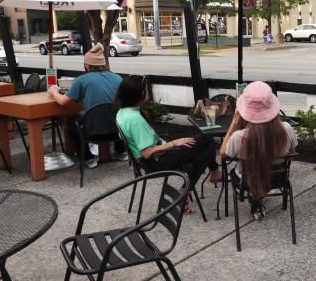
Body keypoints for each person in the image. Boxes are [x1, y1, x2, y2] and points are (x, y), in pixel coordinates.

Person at [114, 75, 221, 212]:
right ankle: (202, 179)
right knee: (206, 140)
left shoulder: (122, 112)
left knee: (204, 151)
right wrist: (174, 143)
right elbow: (147, 153)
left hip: (151, 158)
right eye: (146, 89)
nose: (147, 91)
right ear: (142, 94)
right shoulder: (135, 120)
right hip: (156, 161)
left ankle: (194, 185)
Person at [220, 81, 297, 220]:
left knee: (236, 171)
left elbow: (223, 153)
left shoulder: (239, 137)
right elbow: (291, 156)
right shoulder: (287, 128)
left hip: (247, 182)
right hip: (277, 179)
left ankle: (255, 197)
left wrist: (235, 120)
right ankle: (258, 195)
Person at [48, 43, 124, 168]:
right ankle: (121, 151)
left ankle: (88, 158)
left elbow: (62, 102)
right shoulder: (118, 78)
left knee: (72, 122)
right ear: (104, 64)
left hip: (93, 133)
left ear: (88, 65)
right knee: (117, 113)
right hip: (117, 131)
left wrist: (53, 91)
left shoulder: (82, 80)